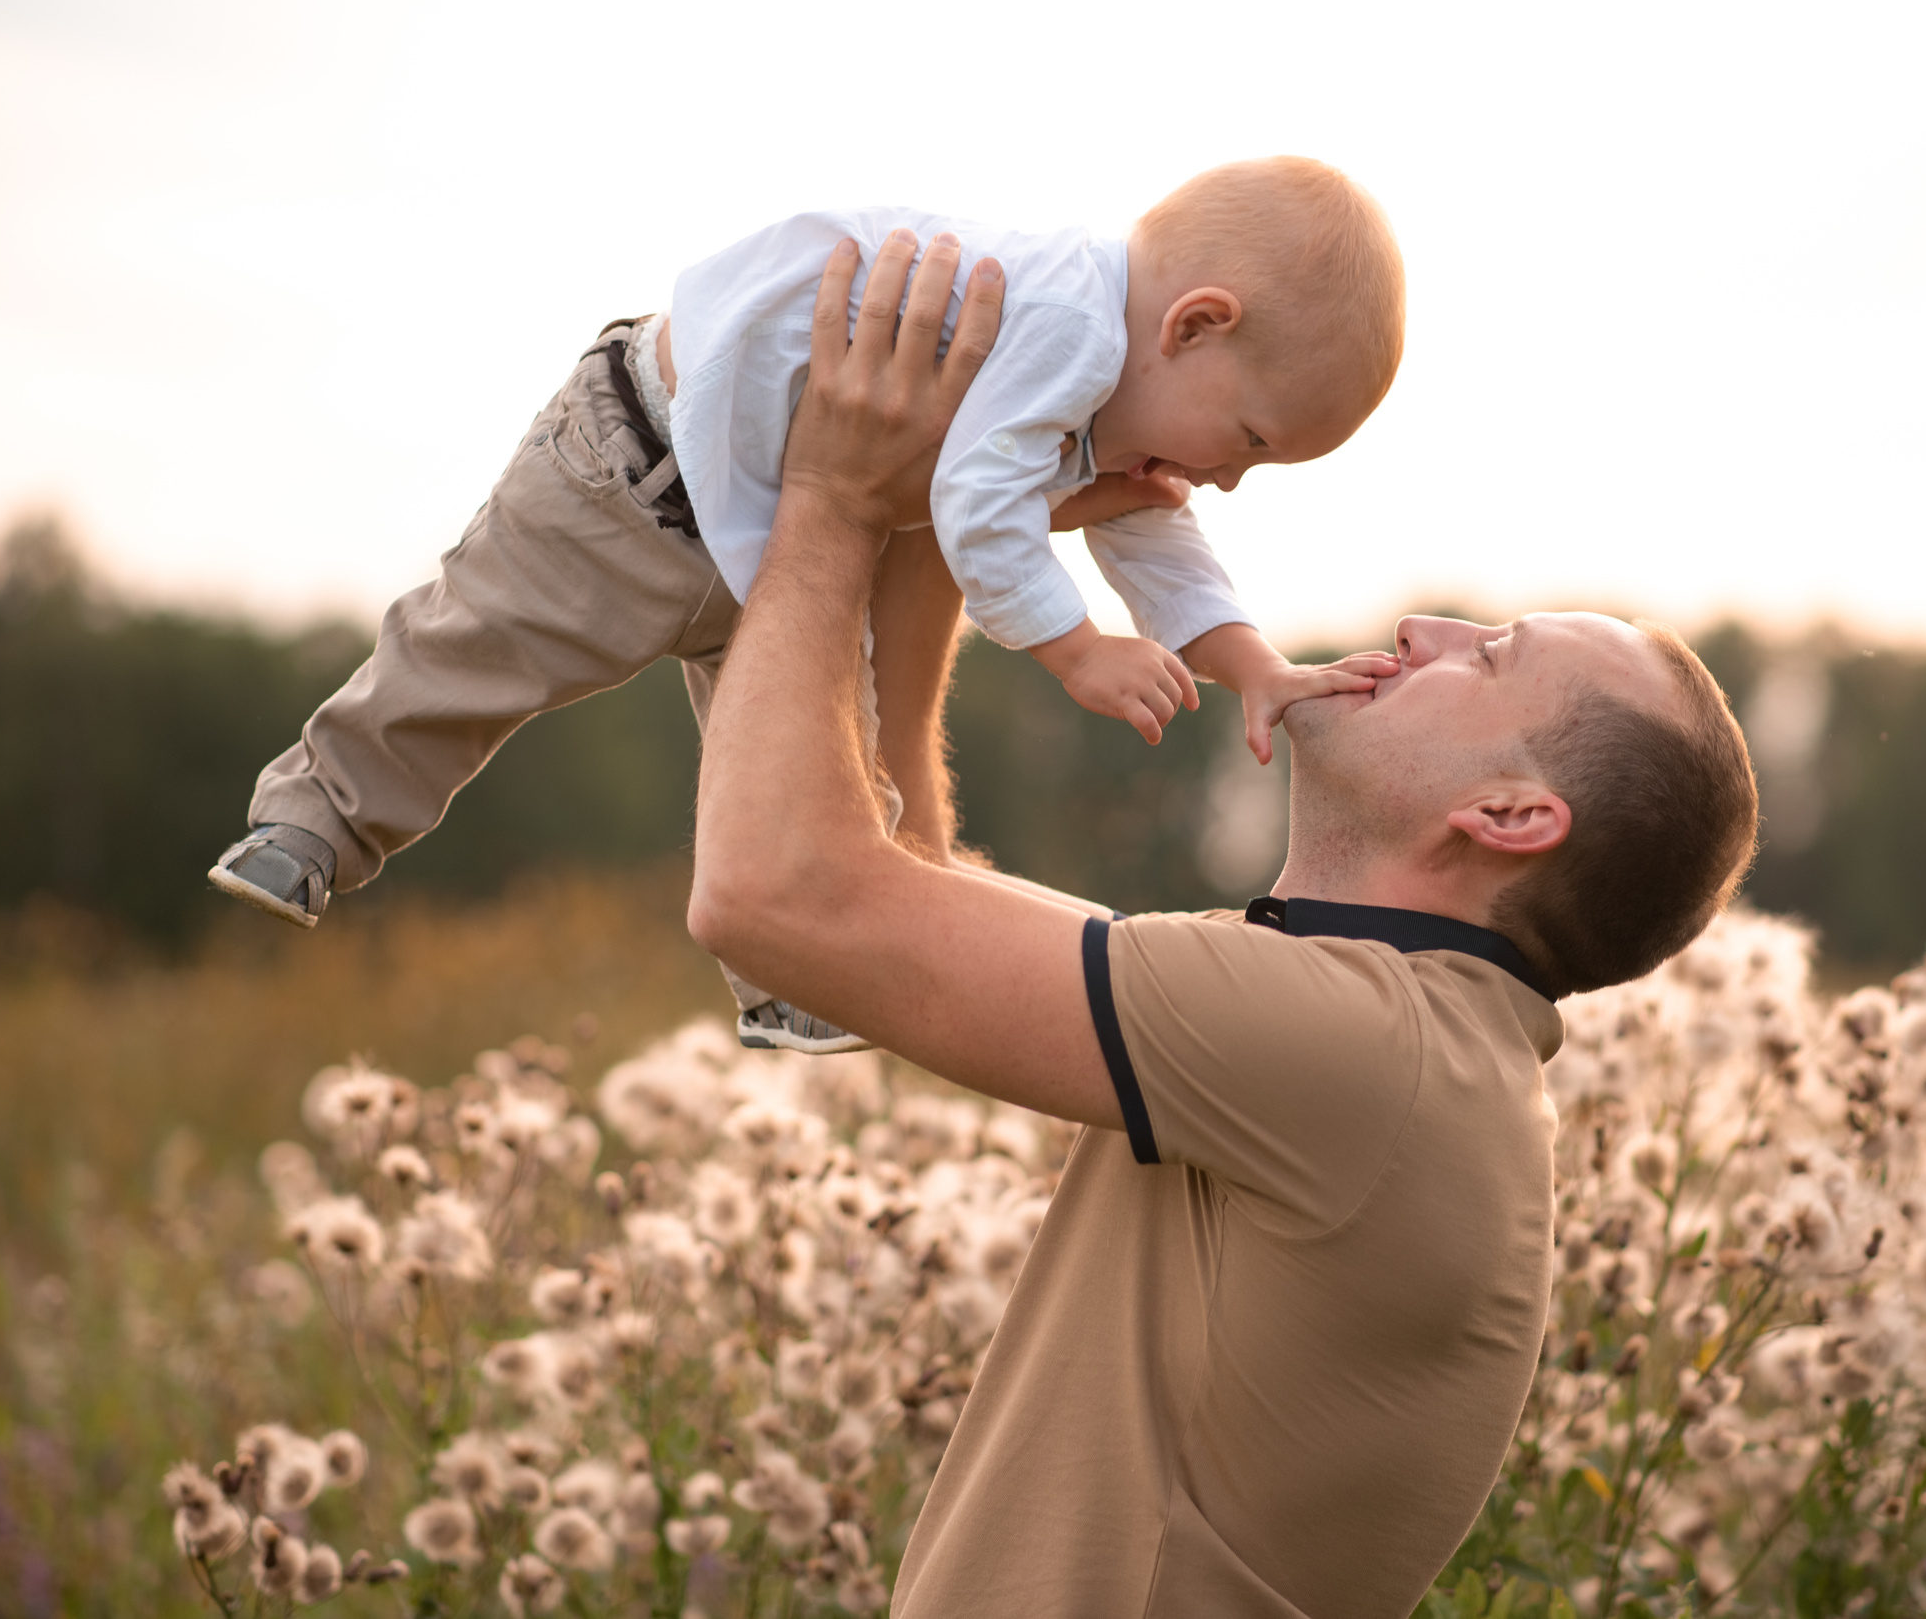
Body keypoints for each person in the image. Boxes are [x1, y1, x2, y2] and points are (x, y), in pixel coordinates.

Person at [690, 231, 1761, 1615]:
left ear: (1507, 814)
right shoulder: (1380, 1034)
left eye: (1491, 655)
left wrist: (834, 497)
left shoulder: (1363, 1051)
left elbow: (778, 895)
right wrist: (965, 501)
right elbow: (897, 883)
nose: (1426, 627)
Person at [206, 159, 1402, 1052]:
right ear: (1195, 324)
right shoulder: (1067, 325)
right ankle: (312, 822)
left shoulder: (1109, 382)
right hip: (632, 480)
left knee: (829, 772)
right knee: (471, 650)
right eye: (1251, 439)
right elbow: (976, 503)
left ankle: (797, 980)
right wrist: (1077, 648)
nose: (1229, 479)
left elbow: (1151, 525)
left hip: (784, 550)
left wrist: (1253, 666)